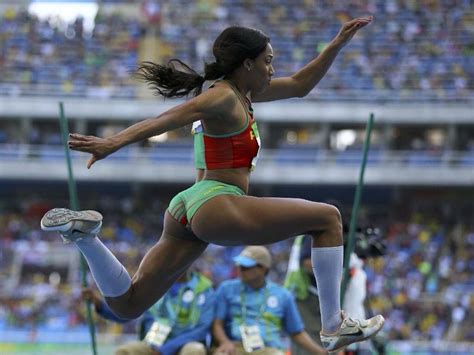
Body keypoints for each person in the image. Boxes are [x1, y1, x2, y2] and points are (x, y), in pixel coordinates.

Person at [40, 16, 384, 353]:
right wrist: (111, 143)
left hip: (187, 207)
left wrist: (336, 45)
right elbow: (168, 118)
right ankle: (333, 325)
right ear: (247, 64)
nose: (272, 69)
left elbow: (299, 85)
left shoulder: (240, 95)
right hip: (217, 201)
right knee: (328, 219)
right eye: (268, 62)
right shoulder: (224, 98)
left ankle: (86, 237)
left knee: (127, 305)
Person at [212, 246, 326, 355]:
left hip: (269, 349)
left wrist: (321, 352)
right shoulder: (226, 288)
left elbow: (296, 332)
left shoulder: (283, 295)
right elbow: (217, 323)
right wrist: (224, 342)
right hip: (234, 347)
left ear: (263, 268)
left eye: (246, 267)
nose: (240, 270)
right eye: (239, 265)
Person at [82, 269, 215, 355]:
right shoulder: (154, 286)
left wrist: (164, 351)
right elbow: (128, 312)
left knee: (194, 351)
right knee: (125, 352)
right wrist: (99, 304)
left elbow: (201, 330)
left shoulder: (204, 289)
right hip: (153, 344)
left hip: (185, 345)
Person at [284, 235, 323, 355]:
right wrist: (332, 273)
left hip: (311, 295)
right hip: (306, 295)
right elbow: (307, 262)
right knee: (310, 341)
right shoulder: (313, 235)